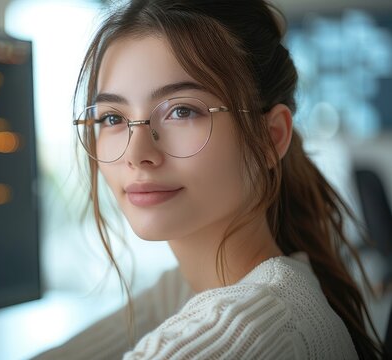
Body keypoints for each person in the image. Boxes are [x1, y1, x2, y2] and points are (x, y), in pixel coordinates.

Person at [36, 0, 388, 359]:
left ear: (271, 138)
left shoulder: (254, 330)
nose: (136, 152)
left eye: (181, 111)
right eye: (112, 118)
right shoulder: (186, 288)